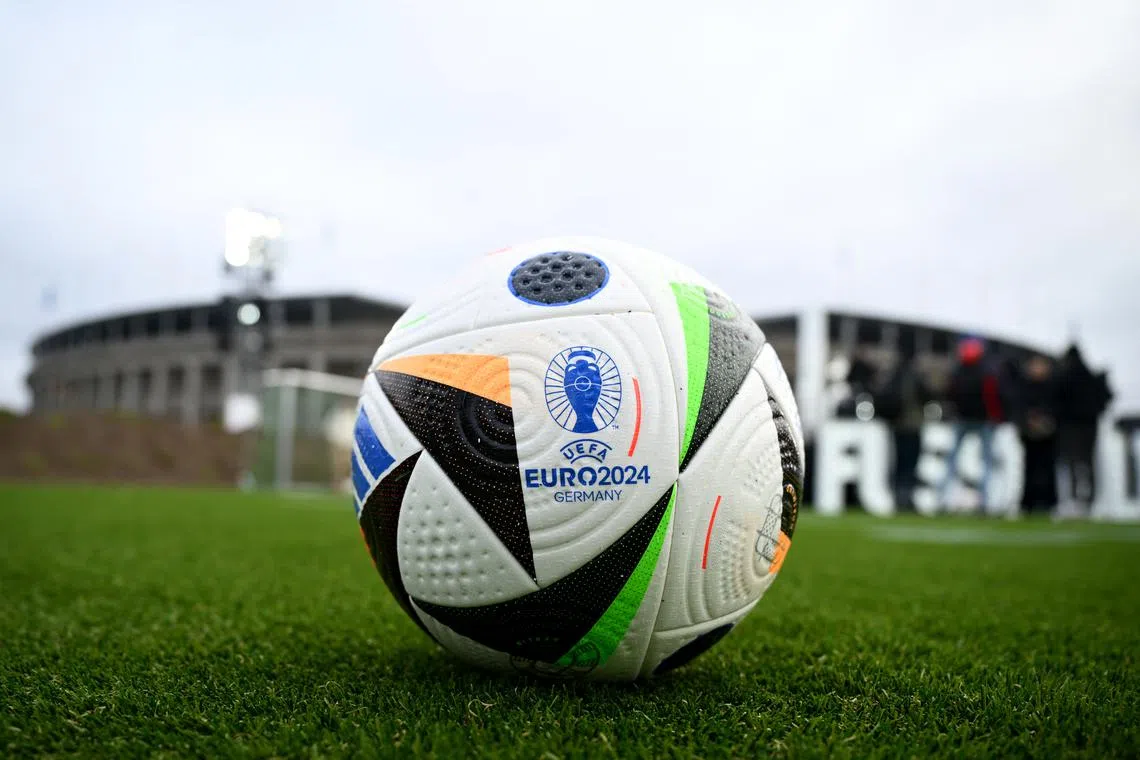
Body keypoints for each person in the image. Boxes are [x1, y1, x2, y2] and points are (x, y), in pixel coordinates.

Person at [938, 337, 1006, 513]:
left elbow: (951, 395)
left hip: (971, 420)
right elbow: (992, 398)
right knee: (984, 463)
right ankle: (984, 502)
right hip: (975, 420)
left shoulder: (961, 372)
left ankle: (946, 499)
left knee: (957, 462)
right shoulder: (983, 372)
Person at [1053, 344, 1113, 517]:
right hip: (1089, 426)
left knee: (1071, 463)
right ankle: (1090, 500)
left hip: (1069, 427)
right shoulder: (1091, 376)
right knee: (1088, 463)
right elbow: (1106, 397)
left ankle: (1073, 498)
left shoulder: (1064, 376)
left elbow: (1056, 400)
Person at [875, 348, 928, 510]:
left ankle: (899, 496)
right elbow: (927, 395)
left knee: (899, 461)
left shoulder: (894, 375)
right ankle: (906, 498)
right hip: (912, 425)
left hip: (897, 425)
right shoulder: (914, 376)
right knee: (910, 463)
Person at [1013, 355, 1060, 514]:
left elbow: (1059, 408)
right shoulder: (1024, 386)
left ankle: (1048, 502)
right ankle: (1028, 502)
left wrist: (1047, 421)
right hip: (1029, 435)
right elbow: (1018, 408)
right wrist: (1028, 423)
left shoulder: (1053, 387)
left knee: (1048, 469)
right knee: (1030, 468)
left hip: (1048, 435)